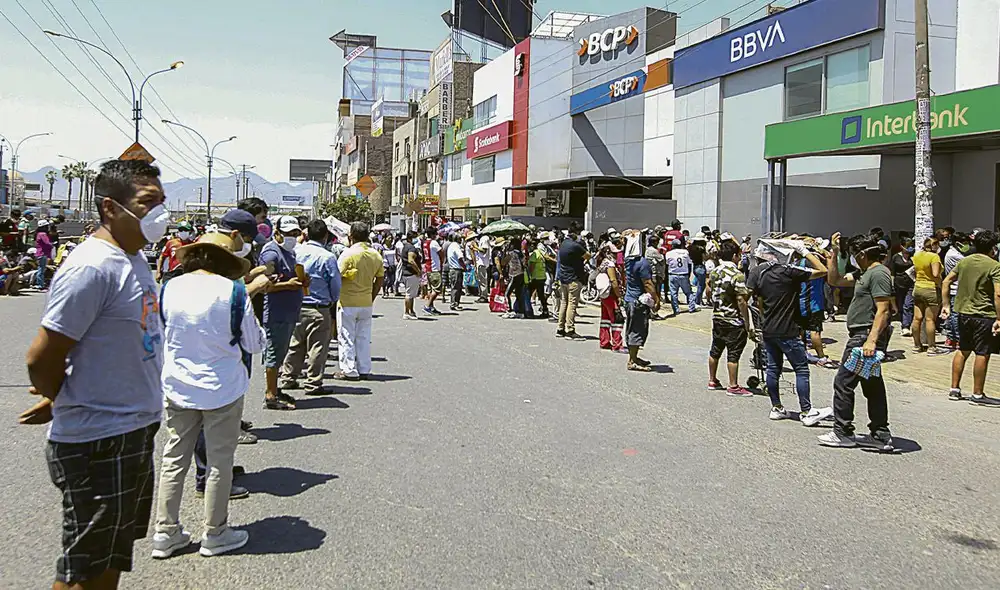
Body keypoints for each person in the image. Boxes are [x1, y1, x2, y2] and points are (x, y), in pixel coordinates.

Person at [21, 159, 168, 589]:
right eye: (147, 203)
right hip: (98, 439)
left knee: (110, 558)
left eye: (162, 202)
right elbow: (41, 356)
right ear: (110, 208)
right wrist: (61, 396)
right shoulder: (93, 266)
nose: (159, 213)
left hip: (132, 429)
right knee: (83, 569)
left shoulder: (133, 258)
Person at [152, 231, 268, 559]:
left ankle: (165, 531)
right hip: (222, 388)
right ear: (227, 262)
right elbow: (254, 344)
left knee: (174, 458)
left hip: (177, 385)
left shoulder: (170, 287)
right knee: (219, 461)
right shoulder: (233, 292)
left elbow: (160, 335)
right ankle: (215, 532)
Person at [819, 233, 895, 450]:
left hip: (864, 337)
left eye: (853, 254)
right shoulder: (863, 273)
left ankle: (842, 432)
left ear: (862, 254)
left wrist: (871, 341)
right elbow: (835, 280)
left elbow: (883, 310)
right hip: (862, 335)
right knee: (872, 385)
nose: (852, 257)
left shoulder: (879, 273)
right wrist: (833, 253)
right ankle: (880, 434)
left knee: (844, 382)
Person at [746, 241, 833, 425]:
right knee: (801, 369)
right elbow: (822, 270)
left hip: (768, 328)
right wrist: (805, 251)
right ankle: (807, 411)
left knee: (773, 368)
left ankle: (776, 407)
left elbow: (755, 300)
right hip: (787, 329)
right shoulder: (789, 272)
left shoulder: (758, 273)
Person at [279, 220, 341, 397]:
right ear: (325, 236)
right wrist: (332, 300)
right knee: (317, 347)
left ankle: (288, 378)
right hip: (318, 307)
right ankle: (313, 383)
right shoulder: (327, 257)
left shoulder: (295, 251)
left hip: (296, 304)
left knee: (295, 344)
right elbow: (335, 284)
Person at [941, 230, 1000, 405]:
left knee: (963, 349)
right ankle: (977, 394)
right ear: (992, 248)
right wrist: (999, 318)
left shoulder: (964, 262)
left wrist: (946, 305)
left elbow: (946, 281)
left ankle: (954, 388)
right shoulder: (994, 266)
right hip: (984, 314)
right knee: (982, 353)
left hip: (963, 313)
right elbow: (998, 294)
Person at [260, 216, 307, 410]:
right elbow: (263, 285)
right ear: (277, 233)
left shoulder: (288, 252)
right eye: (288, 234)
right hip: (276, 312)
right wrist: (288, 285)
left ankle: (275, 389)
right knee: (273, 353)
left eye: (295, 233)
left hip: (288, 311)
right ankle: (270, 394)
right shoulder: (271, 253)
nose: (292, 237)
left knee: (280, 353)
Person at [334, 222, 384, 381]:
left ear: (351, 237)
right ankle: (364, 368)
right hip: (366, 302)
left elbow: (337, 276)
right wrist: (372, 296)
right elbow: (380, 278)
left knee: (346, 336)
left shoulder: (347, 254)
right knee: (363, 337)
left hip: (347, 301)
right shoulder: (375, 254)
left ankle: (348, 370)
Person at [707, 240, 753, 396]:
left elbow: (709, 289)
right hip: (733, 318)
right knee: (733, 352)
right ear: (734, 256)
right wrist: (747, 322)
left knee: (716, 349)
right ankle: (733, 386)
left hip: (718, 315)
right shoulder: (737, 274)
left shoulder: (715, 271)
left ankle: (712, 380)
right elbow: (741, 300)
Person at [623, 230, 659, 371]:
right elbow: (648, 283)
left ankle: (635, 356)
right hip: (638, 301)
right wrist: (656, 299)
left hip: (630, 299)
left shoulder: (628, 261)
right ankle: (632, 360)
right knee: (637, 329)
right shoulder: (642, 263)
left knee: (632, 328)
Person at [798, 252, 837, 368]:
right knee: (815, 331)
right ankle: (821, 357)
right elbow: (828, 272)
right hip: (813, 304)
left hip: (801, 302)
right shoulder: (814, 265)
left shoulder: (798, 263)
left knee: (801, 331)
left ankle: (801, 354)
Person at [556, 222, 588, 340]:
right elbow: (588, 256)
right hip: (574, 278)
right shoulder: (576, 246)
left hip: (563, 277)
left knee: (564, 302)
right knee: (572, 304)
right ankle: (570, 330)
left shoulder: (563, 244)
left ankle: (560, 328)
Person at [911, 237, 944, 354]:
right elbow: (935, 274)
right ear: (934, 246)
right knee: (930, 319)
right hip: (931, 289)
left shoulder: (917, 255)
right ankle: (931, 347)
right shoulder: (934, 257)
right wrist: (942, 284)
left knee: (916, 318)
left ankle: (916, 346)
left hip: (918, 288)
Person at [942, 232, 970, 350]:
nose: (967, 245)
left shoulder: (954, 253)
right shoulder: (956, 256)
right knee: (955, 315)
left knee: (953, 314)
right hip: (956, 288)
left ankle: (951, 337)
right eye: (964, 242)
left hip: (956, 287)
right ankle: (957, 338)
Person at [596, 243, 624, 351]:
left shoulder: (602, 263)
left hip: (604, 295)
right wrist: (619, 295)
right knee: (617, 319)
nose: (617, 255)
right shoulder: (610, 264)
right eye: (615, 253)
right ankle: (617, 344)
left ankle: (604, 341)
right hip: (611, 294)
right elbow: (613, 281)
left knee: (606, 318)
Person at [889, 238, 915, 337]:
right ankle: (903, 322)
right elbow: (892, 272)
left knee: (908, 305)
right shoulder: (896, 257)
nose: (910, 249)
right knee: (900, 305)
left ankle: (906, 326)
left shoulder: (913, 257)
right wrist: (891, 284)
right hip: (898, 284)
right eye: (908, 246)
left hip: (910, 283)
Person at [665, 240, 696, 315]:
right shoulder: (685, 252)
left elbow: (667, 264)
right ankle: (692, 307)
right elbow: (689, 263)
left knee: (673, 293)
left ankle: (676, 310)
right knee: (688, 292)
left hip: (673, 274)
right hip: (683, 274)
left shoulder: (668, 253)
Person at [421, 227, 444, 315]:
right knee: (437, 289)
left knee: (432, 289)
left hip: (428, 267)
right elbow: (441, 252)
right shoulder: (433, 243)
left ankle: (431, 306)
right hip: (434, 268)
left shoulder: (425, 242)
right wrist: (442, 261)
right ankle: (427, 306)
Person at [399, 232, 422, 320]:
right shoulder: (411, 247)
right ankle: (406, 312)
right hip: (411, 273)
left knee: (412, 294)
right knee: (409, 294)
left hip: (407, 273)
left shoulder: (406, 246)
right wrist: (418, 271)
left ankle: (411, 311)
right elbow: (411, 260)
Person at [501, 240, 526, 319]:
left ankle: (509, 310)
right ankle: (520, 312)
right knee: (519, 293)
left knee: (507, 293)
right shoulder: (521, 253)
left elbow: (503, 263)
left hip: (514, 275)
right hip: (521, 274)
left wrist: (504, 253)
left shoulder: (511, 253)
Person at [526, 237, 549, 318]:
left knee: (528, 294)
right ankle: (545, 311)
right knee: (541, 296)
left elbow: (531, 267)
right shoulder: (540, 253)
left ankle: (528, 310)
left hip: (535, 277)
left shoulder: (535, 254)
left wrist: (529, 276)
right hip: (541, 276)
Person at [446, 233, 467, 311]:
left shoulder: (451, 246)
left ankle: (455, 303)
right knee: (456, 288)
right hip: (456, 269)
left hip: (452, 269)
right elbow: (460, 258)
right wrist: (464, 266)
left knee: (455, 287)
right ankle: (454, 303)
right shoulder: (456, 246)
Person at [645, 235, 666, 308]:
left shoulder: (647, 250)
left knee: (651, 292)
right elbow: (662, 260)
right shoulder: (654, 251)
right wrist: (662, 253)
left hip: (649, 273)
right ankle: (655, 309)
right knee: (657, 292)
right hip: (656, 274)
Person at [34, 219, 55, 290]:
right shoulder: (43, 234)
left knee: (40, 268)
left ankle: (40, 283)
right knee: (41, 269)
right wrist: (52, 245)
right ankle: (40, 284)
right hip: (42, 253)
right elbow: (47, 243)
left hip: (39, 253)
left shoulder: (38, 234)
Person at [690, 233, 708, 306]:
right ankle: (697, 301)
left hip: (694, 266)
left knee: (698, 285)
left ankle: (697, 299)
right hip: (700, 267)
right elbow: (705, 258)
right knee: (701, 285)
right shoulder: (701, 249)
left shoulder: (691, 248)